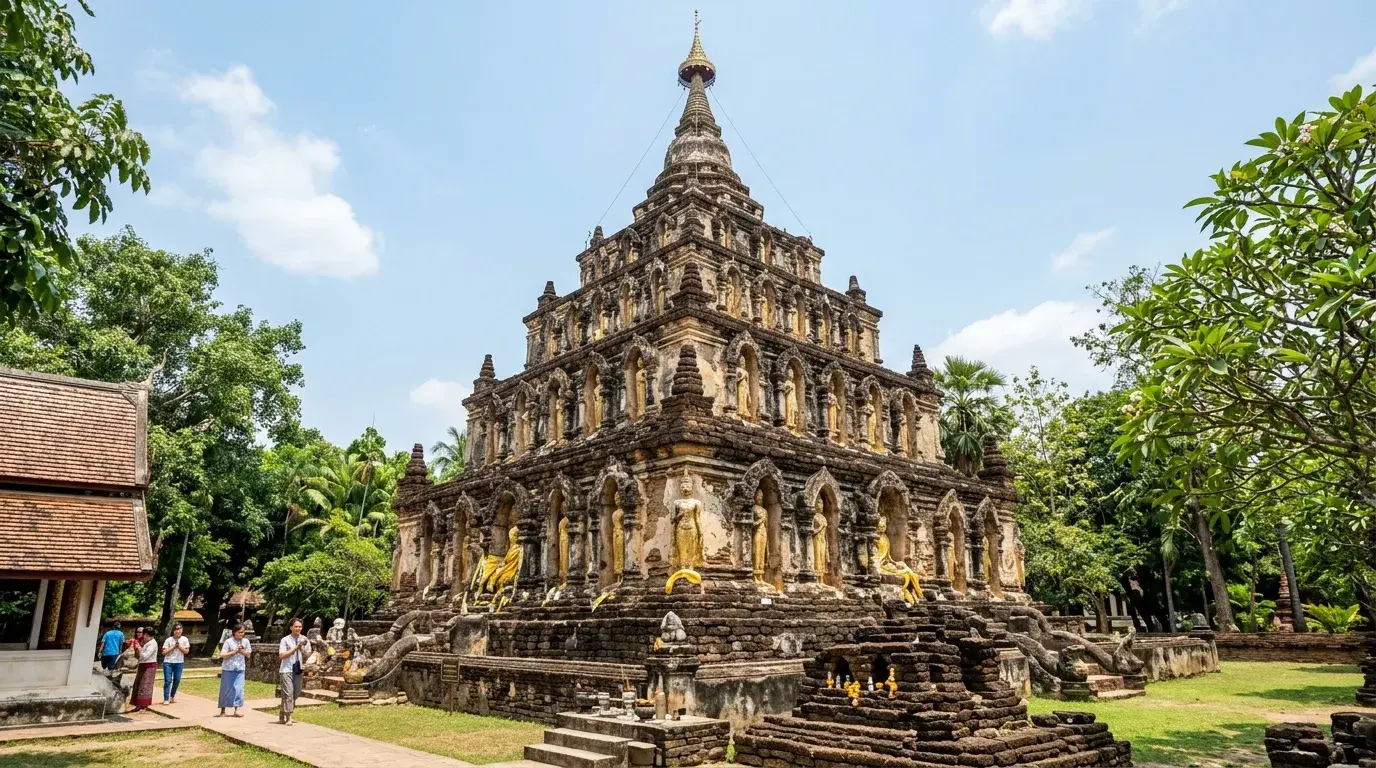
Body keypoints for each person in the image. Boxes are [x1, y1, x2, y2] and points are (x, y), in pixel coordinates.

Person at [277, 617, 311, 725]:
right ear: (291, 627)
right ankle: (289, 716)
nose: (298, 628)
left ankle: (282, 713)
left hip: (298, 669)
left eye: (300, 627)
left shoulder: (304, 639)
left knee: (296, 693)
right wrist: (295, 648)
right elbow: (281, 655)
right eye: (296, 626)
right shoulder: (285, 640)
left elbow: (308, 654)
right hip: (286, 669)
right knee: (289, 693)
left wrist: (301, 648)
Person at [215, 621, 250, 717]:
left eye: (243, 632)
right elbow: (222, 655)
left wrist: (242, 651)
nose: (241, 634)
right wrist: (234, 652)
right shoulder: (228, 641)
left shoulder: (246, 641)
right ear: (234, 632)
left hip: (240, 668)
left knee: (238, 689)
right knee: (226, 689)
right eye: (239, 632)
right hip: (228, 668)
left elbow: (248, 655)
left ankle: (237, 709)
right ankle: (223, 710)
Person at [161, 622, 191, 705]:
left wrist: (179, 646)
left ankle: (172, 696)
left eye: (179, 629)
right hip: (168, 662)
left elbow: (186, 651)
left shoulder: (185, 639)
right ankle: (166, 698)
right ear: (173, 631)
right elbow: (164, 652)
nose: (177, 631)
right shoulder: (168, 640)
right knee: (168, 680)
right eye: (176, 629)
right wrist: (174, 646)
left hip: (179, 662)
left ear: (182, 630)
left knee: (177, 680)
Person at [129, 627, 158, 712]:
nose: (144, 636)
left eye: (145, 635)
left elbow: (145, 656)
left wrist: (139, 648)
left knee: (145, 686)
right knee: (138, 684)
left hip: (149, 667)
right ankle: (137, 704)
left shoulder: (153, 643)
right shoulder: (145, 642)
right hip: (142, 665)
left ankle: (143, 705)